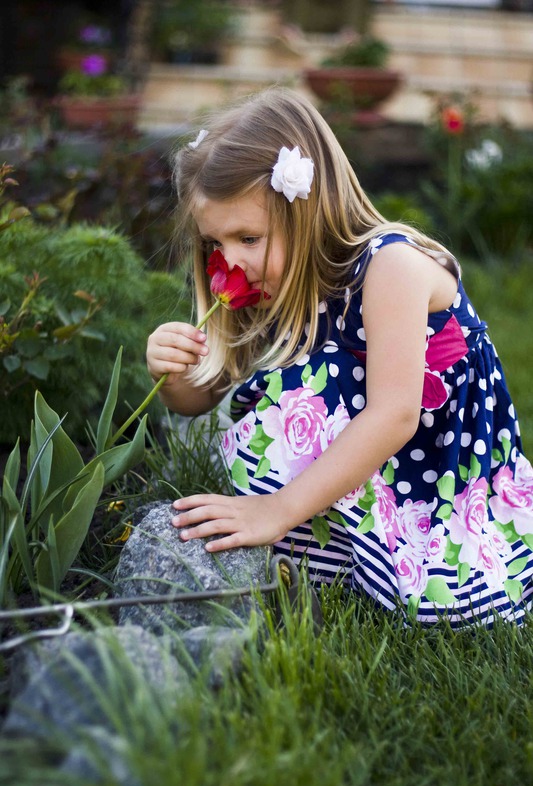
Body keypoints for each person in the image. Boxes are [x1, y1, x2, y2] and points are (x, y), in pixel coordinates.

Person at [146, 87, 533, 626]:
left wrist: (275, 511)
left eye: (248, 238)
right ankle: (329, 540)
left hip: (437, 463)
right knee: (298, 406)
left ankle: (327, 527)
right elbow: (198, 398)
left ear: (307, 211)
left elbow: (396, 415)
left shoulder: (390, 267)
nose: (228, 260)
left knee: (433, 602)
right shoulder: (273, 279)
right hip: (376, 448)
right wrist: (172, 373)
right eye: (215, 243)